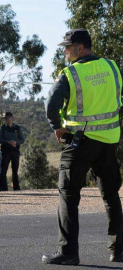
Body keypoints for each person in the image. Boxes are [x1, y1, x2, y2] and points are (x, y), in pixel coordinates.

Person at [42, 29, 123, 265]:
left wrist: (57, 126)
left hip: (80, 141)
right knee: (110, 195)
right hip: (109, 140)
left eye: (67, 47)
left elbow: (51, 104)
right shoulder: (112, 67)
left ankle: (69, 253)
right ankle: (118, 250)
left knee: (68, 194)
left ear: (80, 47)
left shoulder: (71, 73)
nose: (65, 52)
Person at [0, 112, 24, 191]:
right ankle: (3, 188)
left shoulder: (17, 128)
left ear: (11, 117)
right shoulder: (2, 128)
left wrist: (16, 143)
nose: (6, 120)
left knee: (15, 170)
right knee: (4, 169)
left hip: (15, 151)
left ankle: (16, 187)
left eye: (7, 118)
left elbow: (22, 139)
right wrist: (8, 142)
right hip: (5, 151)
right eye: (5, 118)